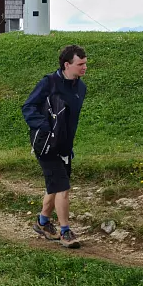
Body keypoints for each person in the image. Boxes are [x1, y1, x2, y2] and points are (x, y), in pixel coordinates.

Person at [22, 44, 88, 248]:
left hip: (65, 146)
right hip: (45, 144)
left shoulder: (81, 88)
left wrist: (66, 141)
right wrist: (46, 128)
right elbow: (28, 107)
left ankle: (42, 222)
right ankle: (65, 232)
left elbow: (70, 121)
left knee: (55, 186)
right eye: (80, 64)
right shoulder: (48, 83)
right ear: (67, 64)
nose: (84, 67)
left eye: (85, 63)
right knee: (63, 187)